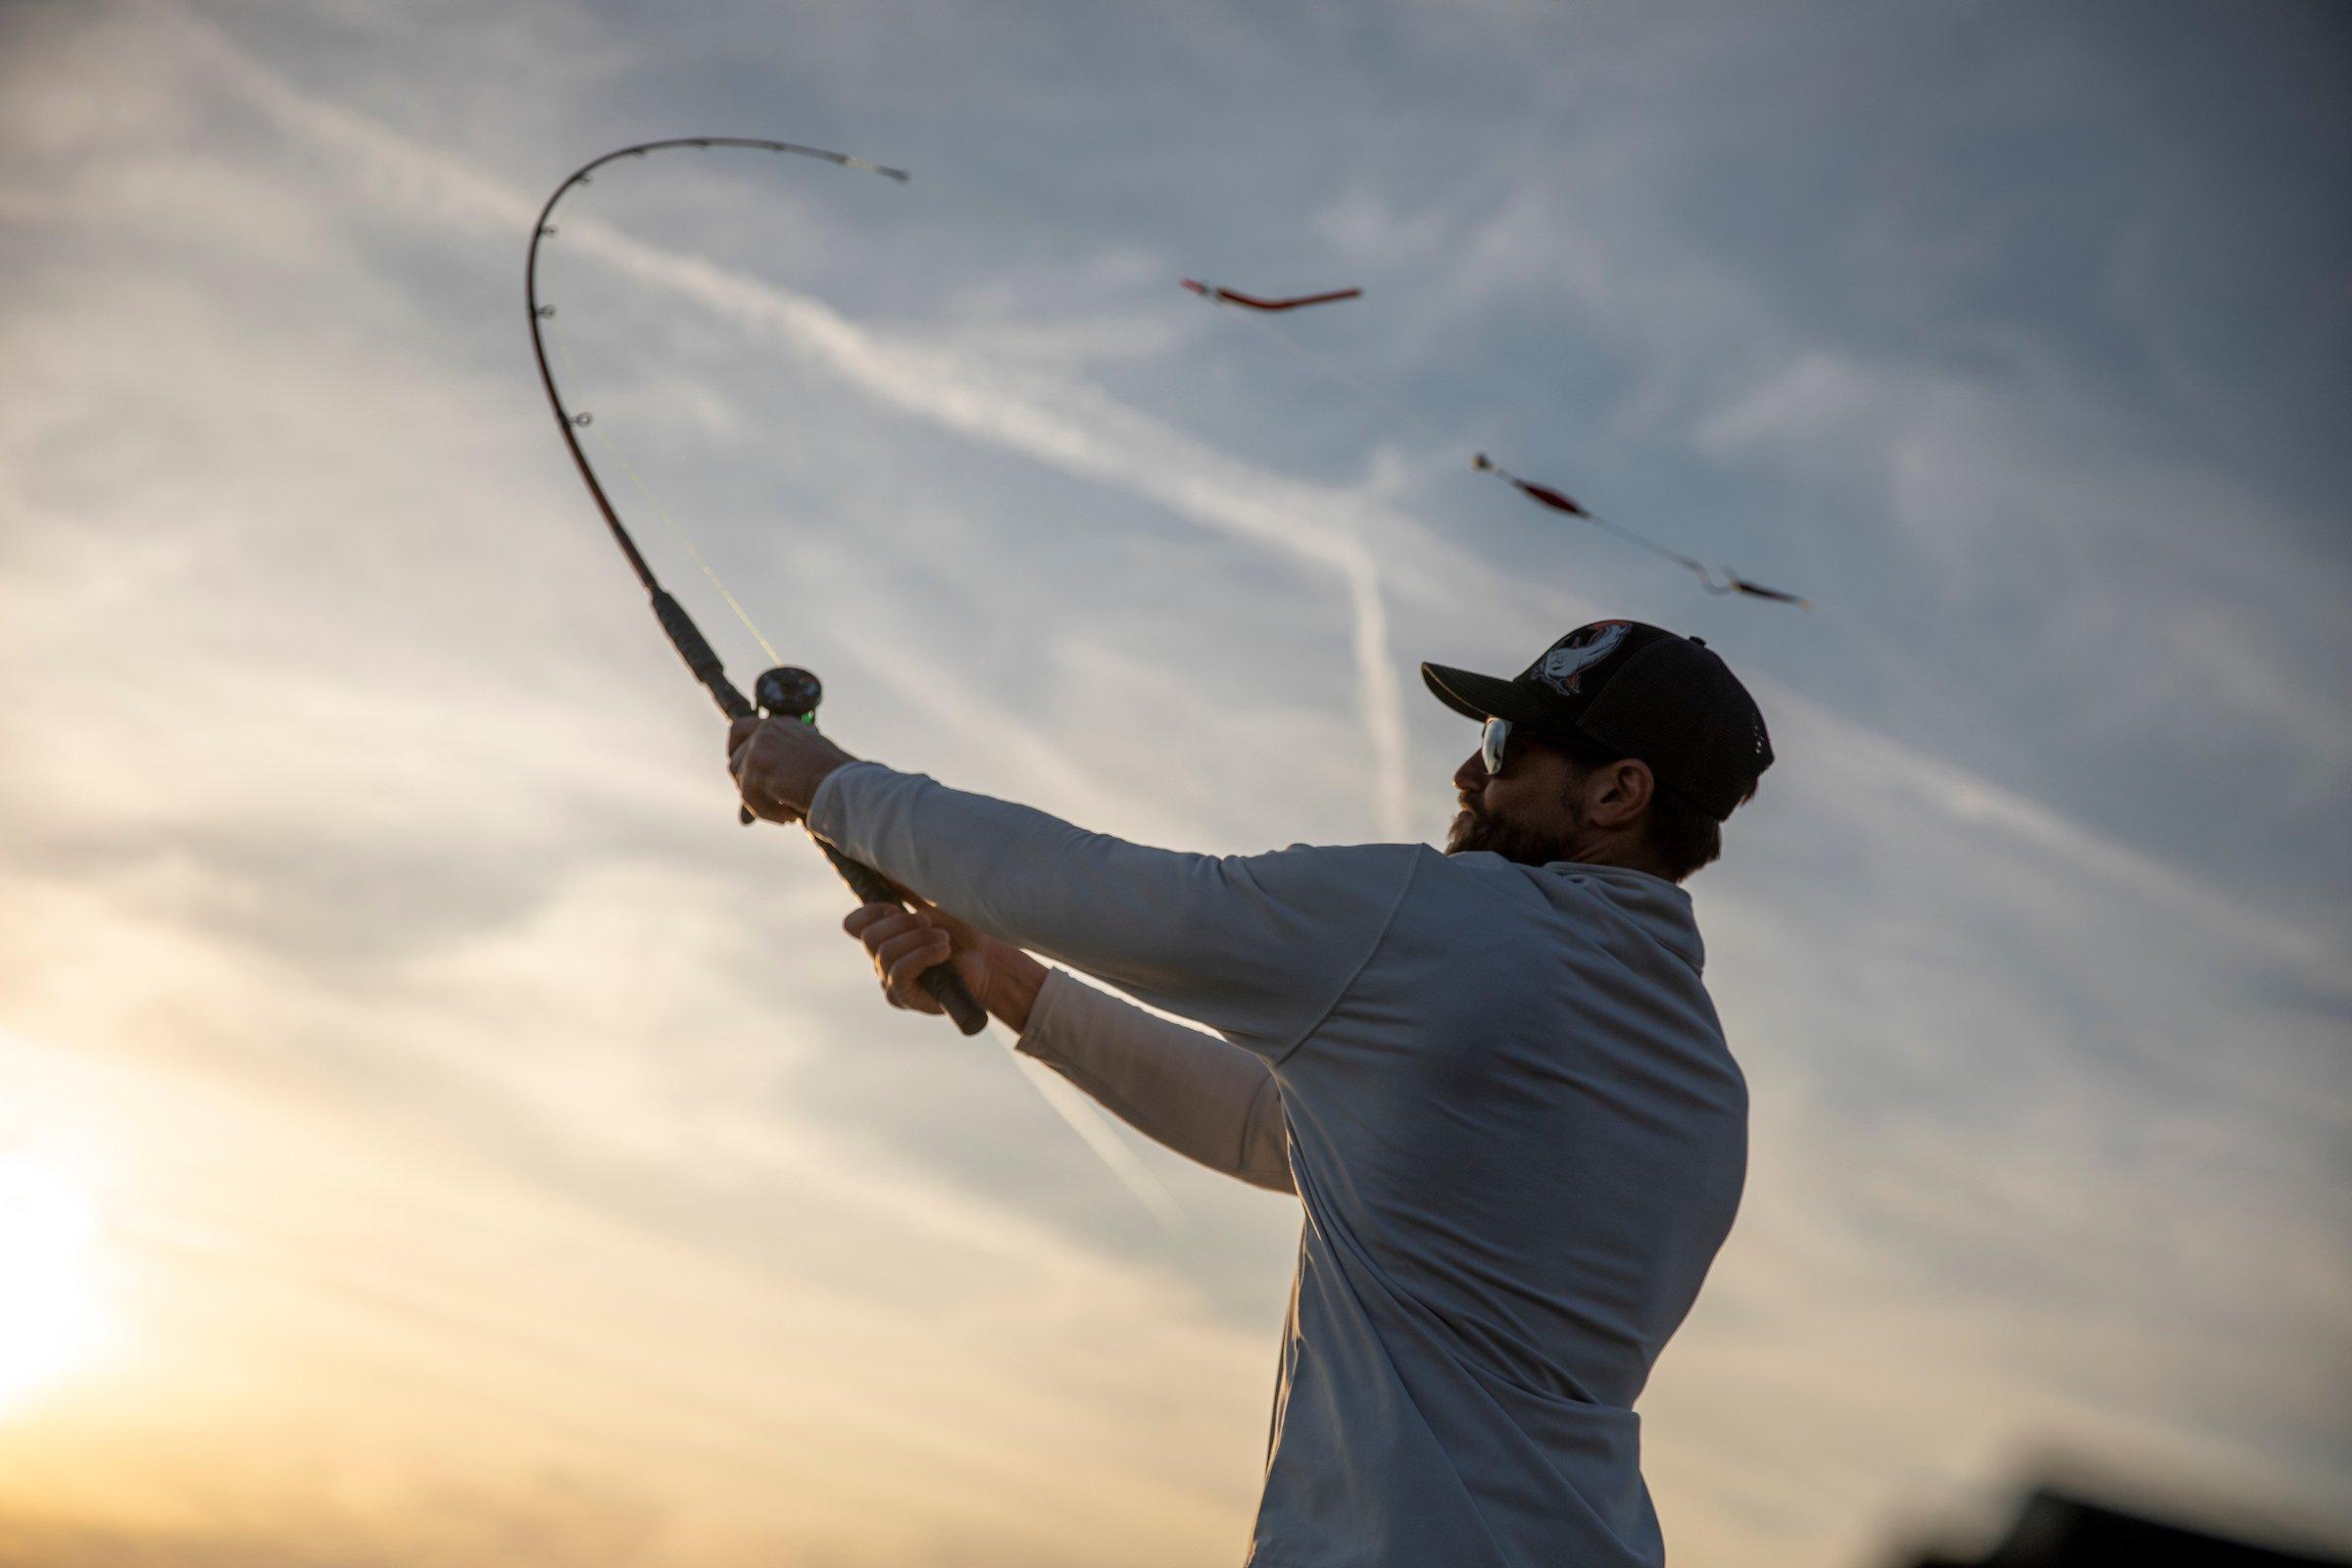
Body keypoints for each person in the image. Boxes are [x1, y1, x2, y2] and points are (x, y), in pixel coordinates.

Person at [728, 618, 1772, 1567]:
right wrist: (1008, 981)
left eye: (1504, 747)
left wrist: (830, 783)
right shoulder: (1704, 1085)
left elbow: (1122, 898)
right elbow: (1276, 1129)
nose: (1465, 771)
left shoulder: (1451, 922)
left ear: (1616, 794)